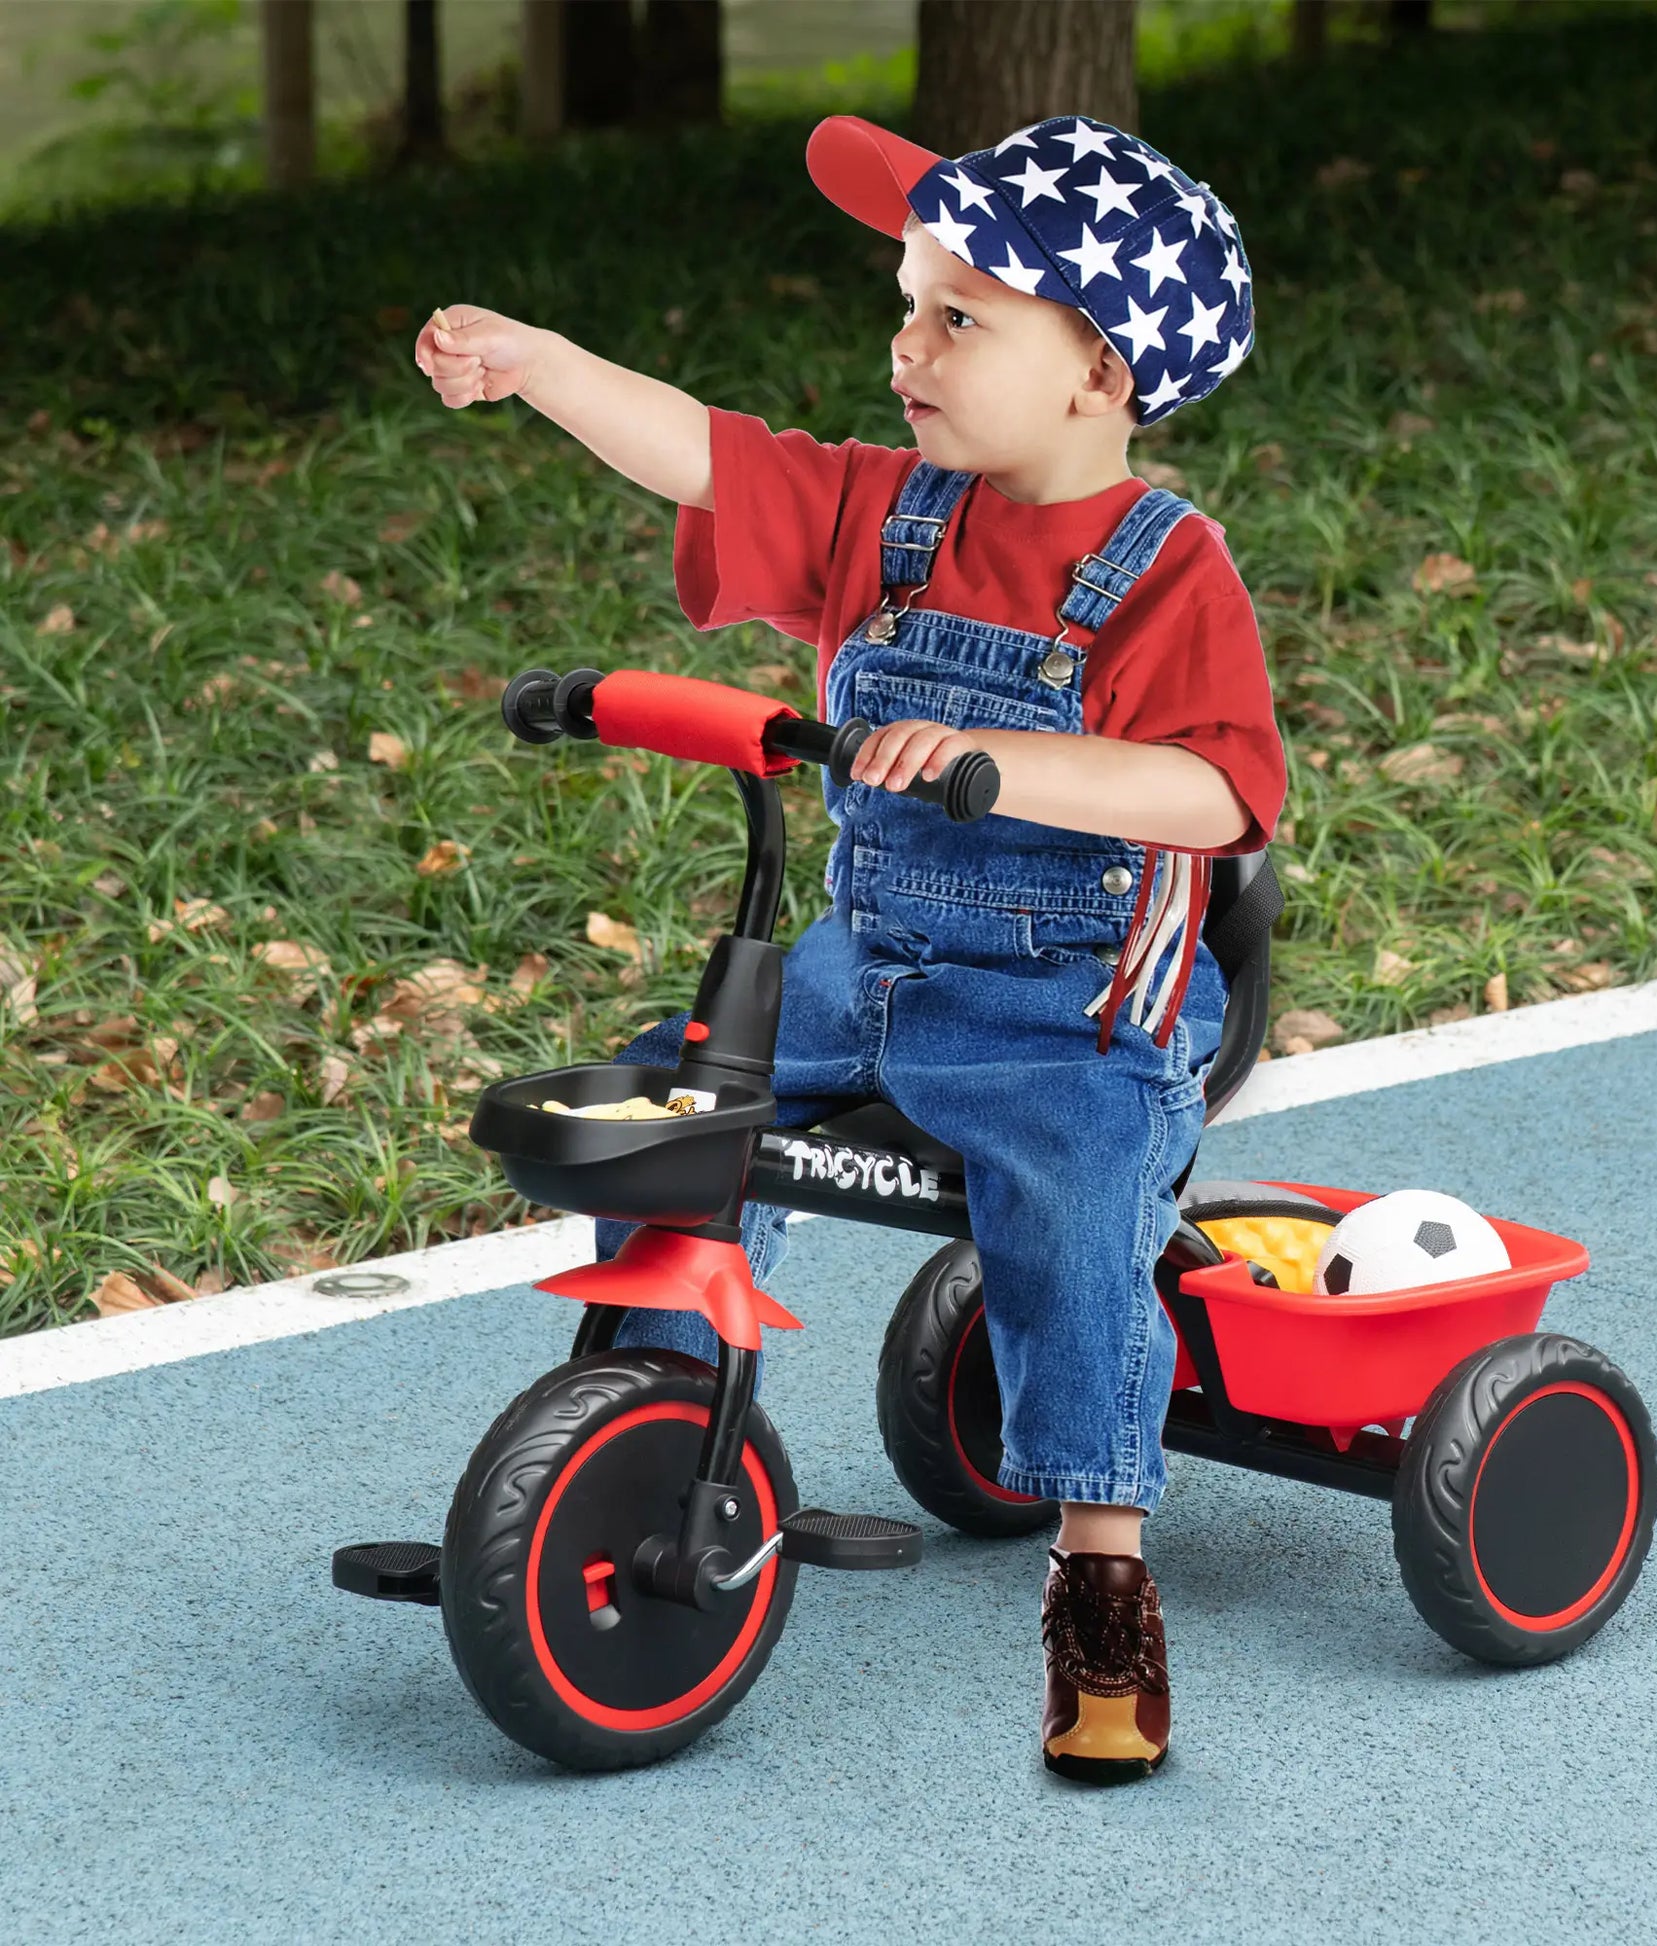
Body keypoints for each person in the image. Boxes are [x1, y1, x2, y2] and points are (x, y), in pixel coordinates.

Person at [415, 111, 1285, 1785]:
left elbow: (1219, 787)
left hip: (1069, 1005)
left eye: (959, 316)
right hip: (867, 965)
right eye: (906, 303)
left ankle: (1101, 1568)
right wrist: (541, 363)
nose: (908, 345)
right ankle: (653, 1426)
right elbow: (707, 453)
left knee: (1078, 1204)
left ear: (1097, 371)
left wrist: (1002, 765)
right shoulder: (886, 515)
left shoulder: (1165, 571)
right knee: (688, 1098)